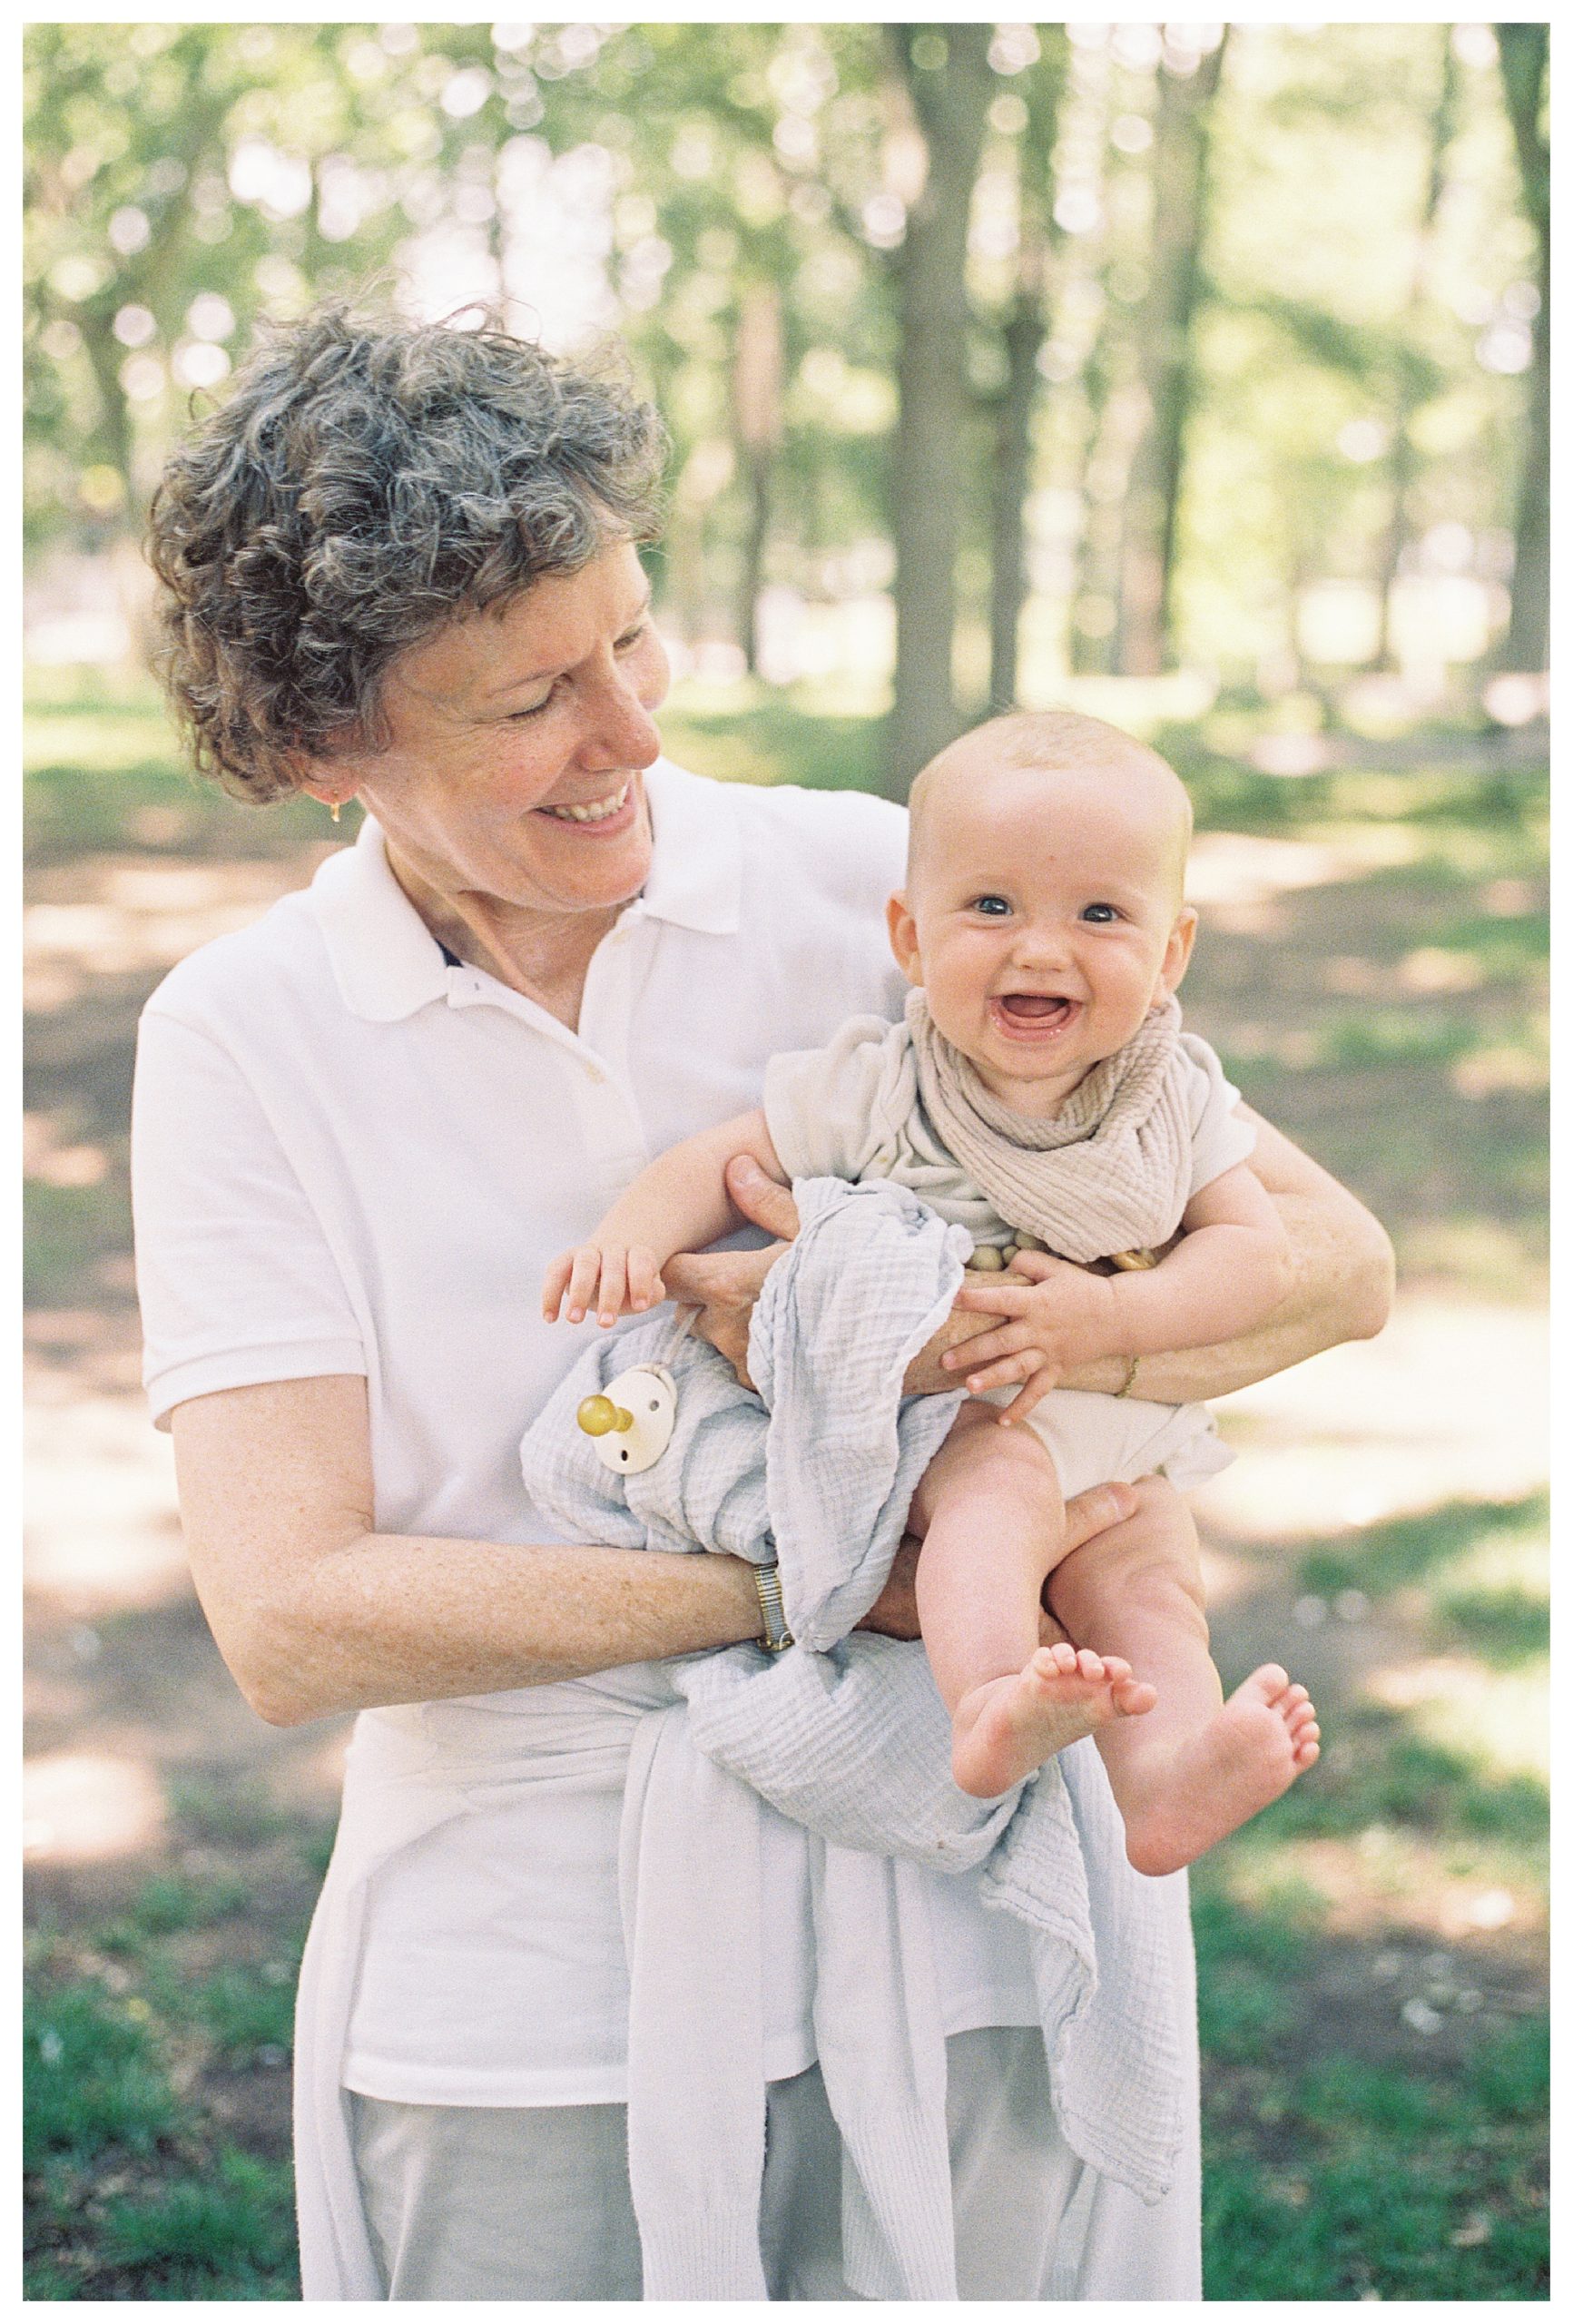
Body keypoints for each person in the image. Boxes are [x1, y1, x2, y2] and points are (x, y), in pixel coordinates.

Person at [132, 305, 1393, 2302]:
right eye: (527, 695)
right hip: (520, 1953)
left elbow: (1332, 1266)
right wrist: (833, 1580)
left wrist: (1031, 1360)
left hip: (959, 1884)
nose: (630, 730)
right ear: (320, 745)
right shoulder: (243, 1037)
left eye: (628, 637)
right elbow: (291, 1617)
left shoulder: (892, 886)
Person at [546, 709, 1322, 1849]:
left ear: (1169, 956)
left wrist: (1110, 1316)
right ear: (908, 938)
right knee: (990, 1508)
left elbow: (1256, 1256)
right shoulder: (884, 1083)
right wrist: (630, 1231)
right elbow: (724, 1154)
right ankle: (991, 1703)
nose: (1039, 949)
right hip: (972, 1421)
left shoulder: (1173, 1099)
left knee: (1153, 1589)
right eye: (991, 907)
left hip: (1126, 1427)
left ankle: (1164, 1783)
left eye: (1100, 914)